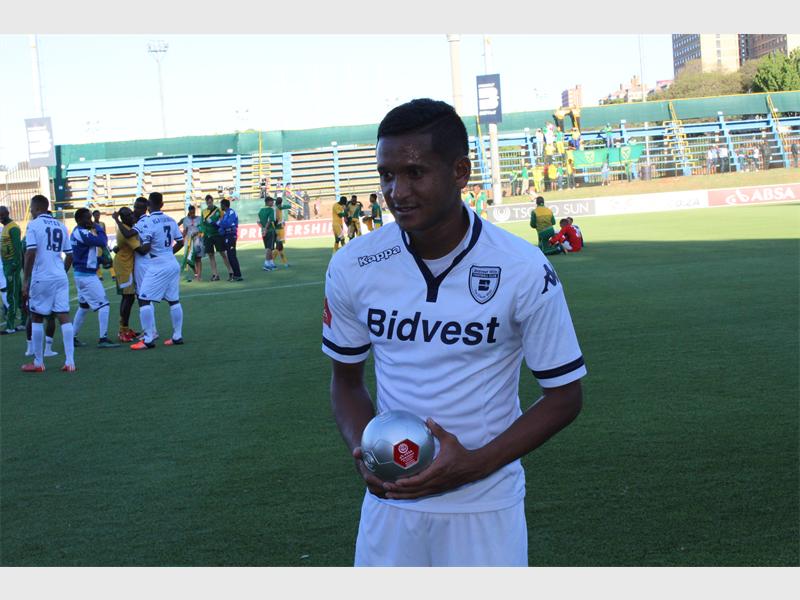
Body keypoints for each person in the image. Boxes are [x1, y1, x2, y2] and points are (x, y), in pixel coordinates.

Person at [323, 98, 585, 567]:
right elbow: (345, 380)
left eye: (415, 173)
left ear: (460, 172)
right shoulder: (353, 265)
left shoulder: (522, 268)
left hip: (484, 507)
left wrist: (474, 465)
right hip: (390, 508)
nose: (397, 191)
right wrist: (364, 450)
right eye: (386, 175)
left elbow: (565, 396)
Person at [20, 195, 77, 372]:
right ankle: (70, 362)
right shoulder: (61, 225)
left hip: (41, 276)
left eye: (31, 207)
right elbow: (70, 255)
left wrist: (26, 280)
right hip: (60, 276)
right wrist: (62, 272)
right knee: (63, 315)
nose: (30, 211)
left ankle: (38, 363)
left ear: (37, 208)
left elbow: (30, 253)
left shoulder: (34, 225)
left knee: (36, 316)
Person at [130, 192, 185, 350]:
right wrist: (168, 254)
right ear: (162, 204)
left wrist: (137, 247)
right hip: (172, 263)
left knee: (144, 298)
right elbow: (181, 242)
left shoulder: (148, 222)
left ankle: (148, 339)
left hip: (157, 264)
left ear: (148, 205)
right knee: (174, 300)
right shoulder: (171, 220)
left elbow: (146, 247)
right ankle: (177, 336)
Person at [69, 208, 120, 349]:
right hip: (87, 276)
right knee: (104, 305)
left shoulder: (77, 232)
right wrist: (97, 227)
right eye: (87, 218)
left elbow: (84, 254)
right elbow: (102, 241)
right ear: (79, 219)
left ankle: (71, 337)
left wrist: (99, 261)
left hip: (82, 274)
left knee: (84, 307)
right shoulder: (82, 232)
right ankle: (103, 338)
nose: (90, 221)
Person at [111, 207, 141, 342]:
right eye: (128, 215)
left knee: (128, 297)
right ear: (123, 218)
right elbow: (140, 249)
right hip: (124, 267)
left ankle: (125, 328)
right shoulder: (125, 231)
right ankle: (122, 330)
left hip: (126, 265)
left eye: (132, 213)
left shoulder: (126, 228)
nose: (132, 216)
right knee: (128, 298)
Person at [0, 205, 26, 335]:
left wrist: (15, 265)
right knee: (18, 295)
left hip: (12, 266)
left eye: (2, 215)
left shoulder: (13, 228)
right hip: (7, 265)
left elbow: (17, 248)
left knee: (12, 295)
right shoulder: (5, 227)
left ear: (8, 213)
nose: (0, 218)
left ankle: (10, 326)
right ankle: (24, 322)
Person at [201, 194, 230, 281]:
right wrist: (204, 233)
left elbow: (222, 221)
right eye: (208, 202)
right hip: (208, 236)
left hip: (217, 235)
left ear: (212, 201)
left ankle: (230, 271)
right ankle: (215, 274)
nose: (209, 204)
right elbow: (202, 224)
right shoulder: (203, 212)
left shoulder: (219, 210)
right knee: (211, 255)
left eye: (210, 202)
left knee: (223, 253)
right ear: (206, 202)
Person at [217, 198, 243, 281]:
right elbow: (222, 226)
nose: (220, 206)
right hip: (227, 235)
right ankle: (235, 275)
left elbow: (228, 224)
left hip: (231, 235)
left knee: (232, 256)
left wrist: (220, 223)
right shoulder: (226, 214)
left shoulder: (231, 212)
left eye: (221, 205)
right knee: (230, 256)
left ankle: (238, 275)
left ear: (224, 205)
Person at [179, 205, 203, 282]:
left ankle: (199, 276)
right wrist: (182, 237)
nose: (192, 214)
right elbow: (185, 231)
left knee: (198, 258)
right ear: (189, 212)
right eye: (191, 212)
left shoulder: (199, 219)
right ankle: (196, 273)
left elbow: (202, 230)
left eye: (193, 212)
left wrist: (197, 233)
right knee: (189, 259)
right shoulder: (185, 220)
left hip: (198, 241)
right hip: (188, 242)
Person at [91, 209, 115, 281]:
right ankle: (100, 276)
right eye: (96, 215)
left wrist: (106, 243)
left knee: (109, 260)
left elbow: (104, 233)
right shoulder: (91, 225)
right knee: (97, 261)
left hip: (103, 245)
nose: (97, 216)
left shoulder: (102, 224)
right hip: (96, 246)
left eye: (98, 215)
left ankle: (113, 275)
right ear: (93, 216)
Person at [258, 196, 278, 271]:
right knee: (269, 248)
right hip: (270, 230)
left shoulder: (261, 210)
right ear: (268, 202)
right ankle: (266, 264)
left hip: (263, 231)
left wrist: (263, 228)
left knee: (268, 247)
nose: (273, 202)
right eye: (272, 201)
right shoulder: (270, 210)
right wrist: (266, 228)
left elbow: (258, 221)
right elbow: (270, 220)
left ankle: (271, 263)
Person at [274, 196, 290, 268]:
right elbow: (289, 206)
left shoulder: (275, 208)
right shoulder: (279, 207)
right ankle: (271, 262)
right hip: (279, 229)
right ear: (280, 203)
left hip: (278, 229)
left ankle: (285, 263)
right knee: (278, 247)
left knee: (280, 248)